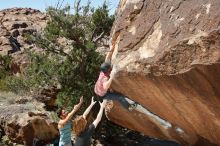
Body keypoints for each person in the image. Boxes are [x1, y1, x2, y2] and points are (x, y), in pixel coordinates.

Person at [94, 46, 137, 111]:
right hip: (103, 95)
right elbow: (105, 87)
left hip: (97, 90)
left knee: (113, 92)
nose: (111, 68)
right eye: (110, 69)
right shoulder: (105, 78)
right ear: (108, 71)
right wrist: (111, 77)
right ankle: (129, 107)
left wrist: (111, 50)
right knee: (120, 97)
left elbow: (107, 59)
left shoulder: (102, 71)